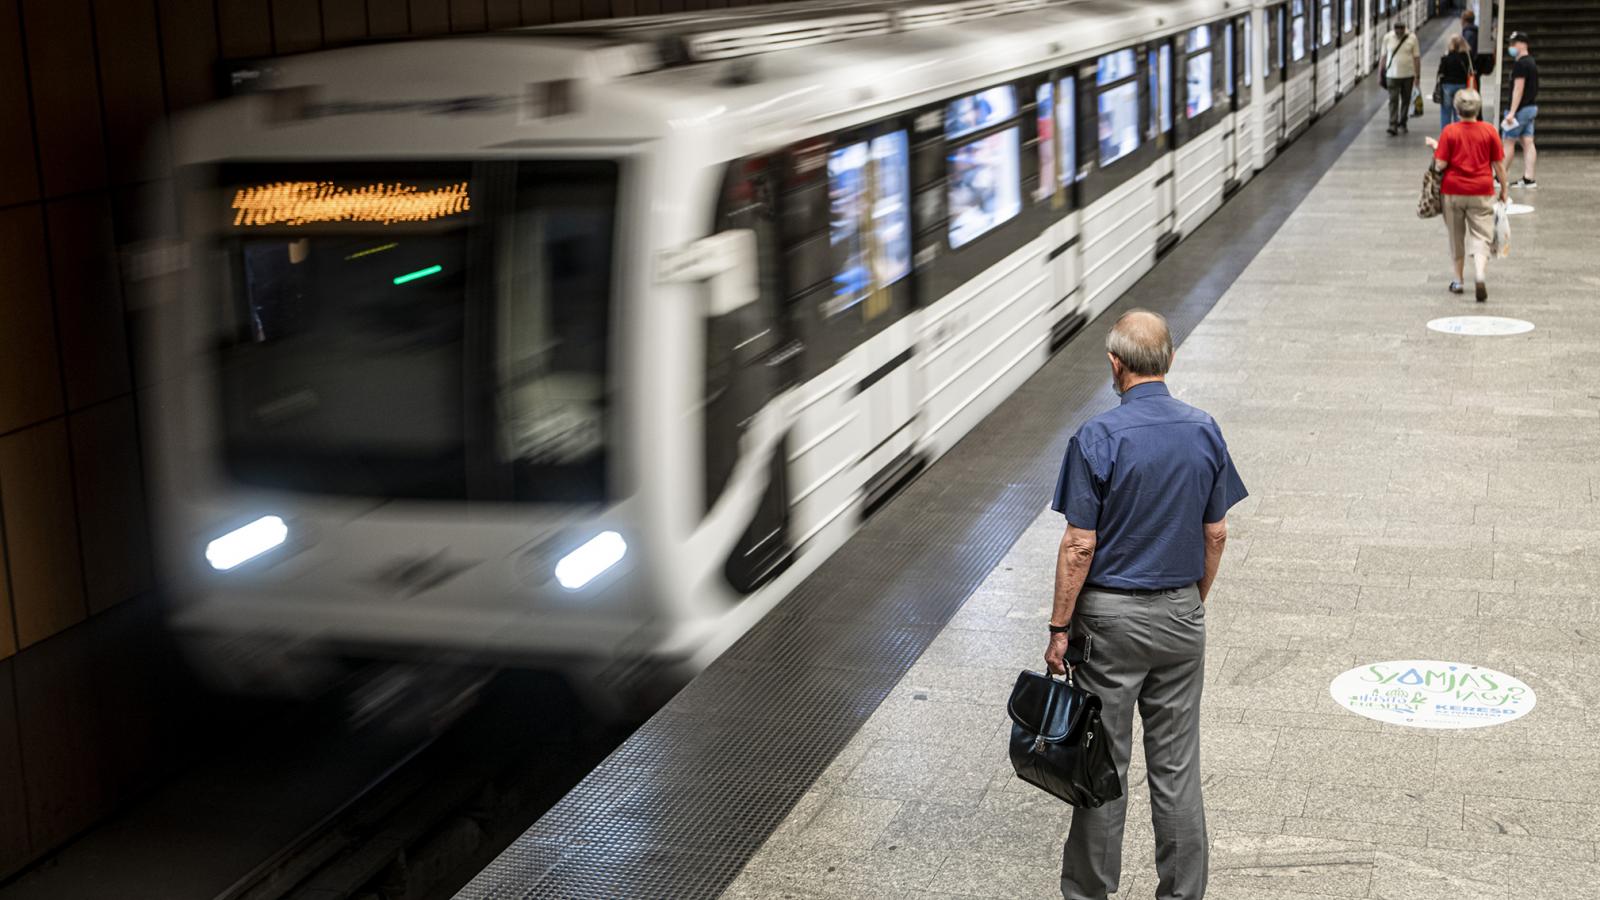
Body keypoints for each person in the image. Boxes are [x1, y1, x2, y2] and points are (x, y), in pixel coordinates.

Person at [1045, 310, 1248, 900]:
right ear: (1170, 360)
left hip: (1109, 624)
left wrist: (1061, 627)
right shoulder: (1204, 430)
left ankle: (1089, 895)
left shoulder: (1097, 438)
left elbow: (1080, 545)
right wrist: (1190, 602)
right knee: (1178, 773)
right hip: (1181, 617)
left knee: (1102, 768)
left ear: (1115, 363)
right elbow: (1216, 534)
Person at [1426, 89, 1510, 302]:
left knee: (1456, 236)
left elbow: (1441, 164)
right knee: (1481, 235)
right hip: (1482, 190)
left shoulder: (1449, 132)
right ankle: (1480, 274)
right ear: (1478, 108)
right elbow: (1499, 166)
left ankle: (1459, 280)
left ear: (1457, 109)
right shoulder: (1489, 131)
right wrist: (1504, 189)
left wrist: (1436, 148)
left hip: (1453, 191)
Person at [1501, 31, 1538, 188]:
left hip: (1520, 110)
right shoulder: (1531, 62)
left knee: (1508, 141)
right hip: (1530, 107)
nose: (1511, 47)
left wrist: (1512, 112)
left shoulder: (1521, 64)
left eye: (1514, 43)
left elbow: (1518, 89)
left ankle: (1499, 177)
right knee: (1528, 142)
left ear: (1523, 44)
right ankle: (1529, 178)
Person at [1382, 22, 1422, 136]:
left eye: (1401, 29)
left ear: (1405, 29)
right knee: (1393, 100)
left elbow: (1416, 58)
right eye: (1397, 29)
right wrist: (1381, 73)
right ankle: (1392, 125)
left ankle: (1403, 122)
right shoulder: (1388, 38)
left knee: (1406, 100)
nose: (1399, 31)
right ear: (1394, 29)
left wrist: (1417, 76)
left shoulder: (1412, 38)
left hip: (1408, 75)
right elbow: (1383, 56)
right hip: (1391, 75)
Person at [1436, 35, 1474, 127]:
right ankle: (1458, 134)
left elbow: (1441, 72)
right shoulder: (1467, 57)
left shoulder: (1446, 57)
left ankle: (1446, 134)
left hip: (1447, 86)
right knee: (1459, 112)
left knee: (1446, 112)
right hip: (1462, 86)